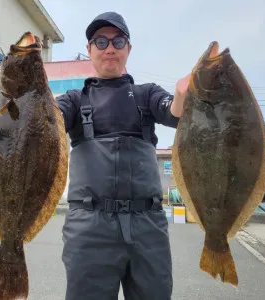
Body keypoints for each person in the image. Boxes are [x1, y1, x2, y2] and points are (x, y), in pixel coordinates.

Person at [55, 11, 189, 300]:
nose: (110, 48)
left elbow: (177, 113)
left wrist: (184, 92)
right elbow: (46, 122)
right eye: (100, 41)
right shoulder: (74, 100)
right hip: (89, 227)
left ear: (129, 49)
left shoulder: (147, 94)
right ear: (89, 50)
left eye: (119, 40)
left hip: (147, 225)